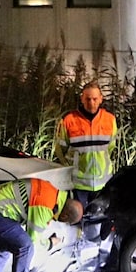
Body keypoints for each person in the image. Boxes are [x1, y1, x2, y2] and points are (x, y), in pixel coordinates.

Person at [55, 81, 118, 209]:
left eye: (95, 99)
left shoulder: (110, 120)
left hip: (103, 184)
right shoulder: (68, 120)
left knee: (99, 221)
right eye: (88, 99)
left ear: (101, 99)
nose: (91, 103)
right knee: (78, 222)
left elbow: (111, 147)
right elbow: (60, 150)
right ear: (82, 99)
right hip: (78, 184)